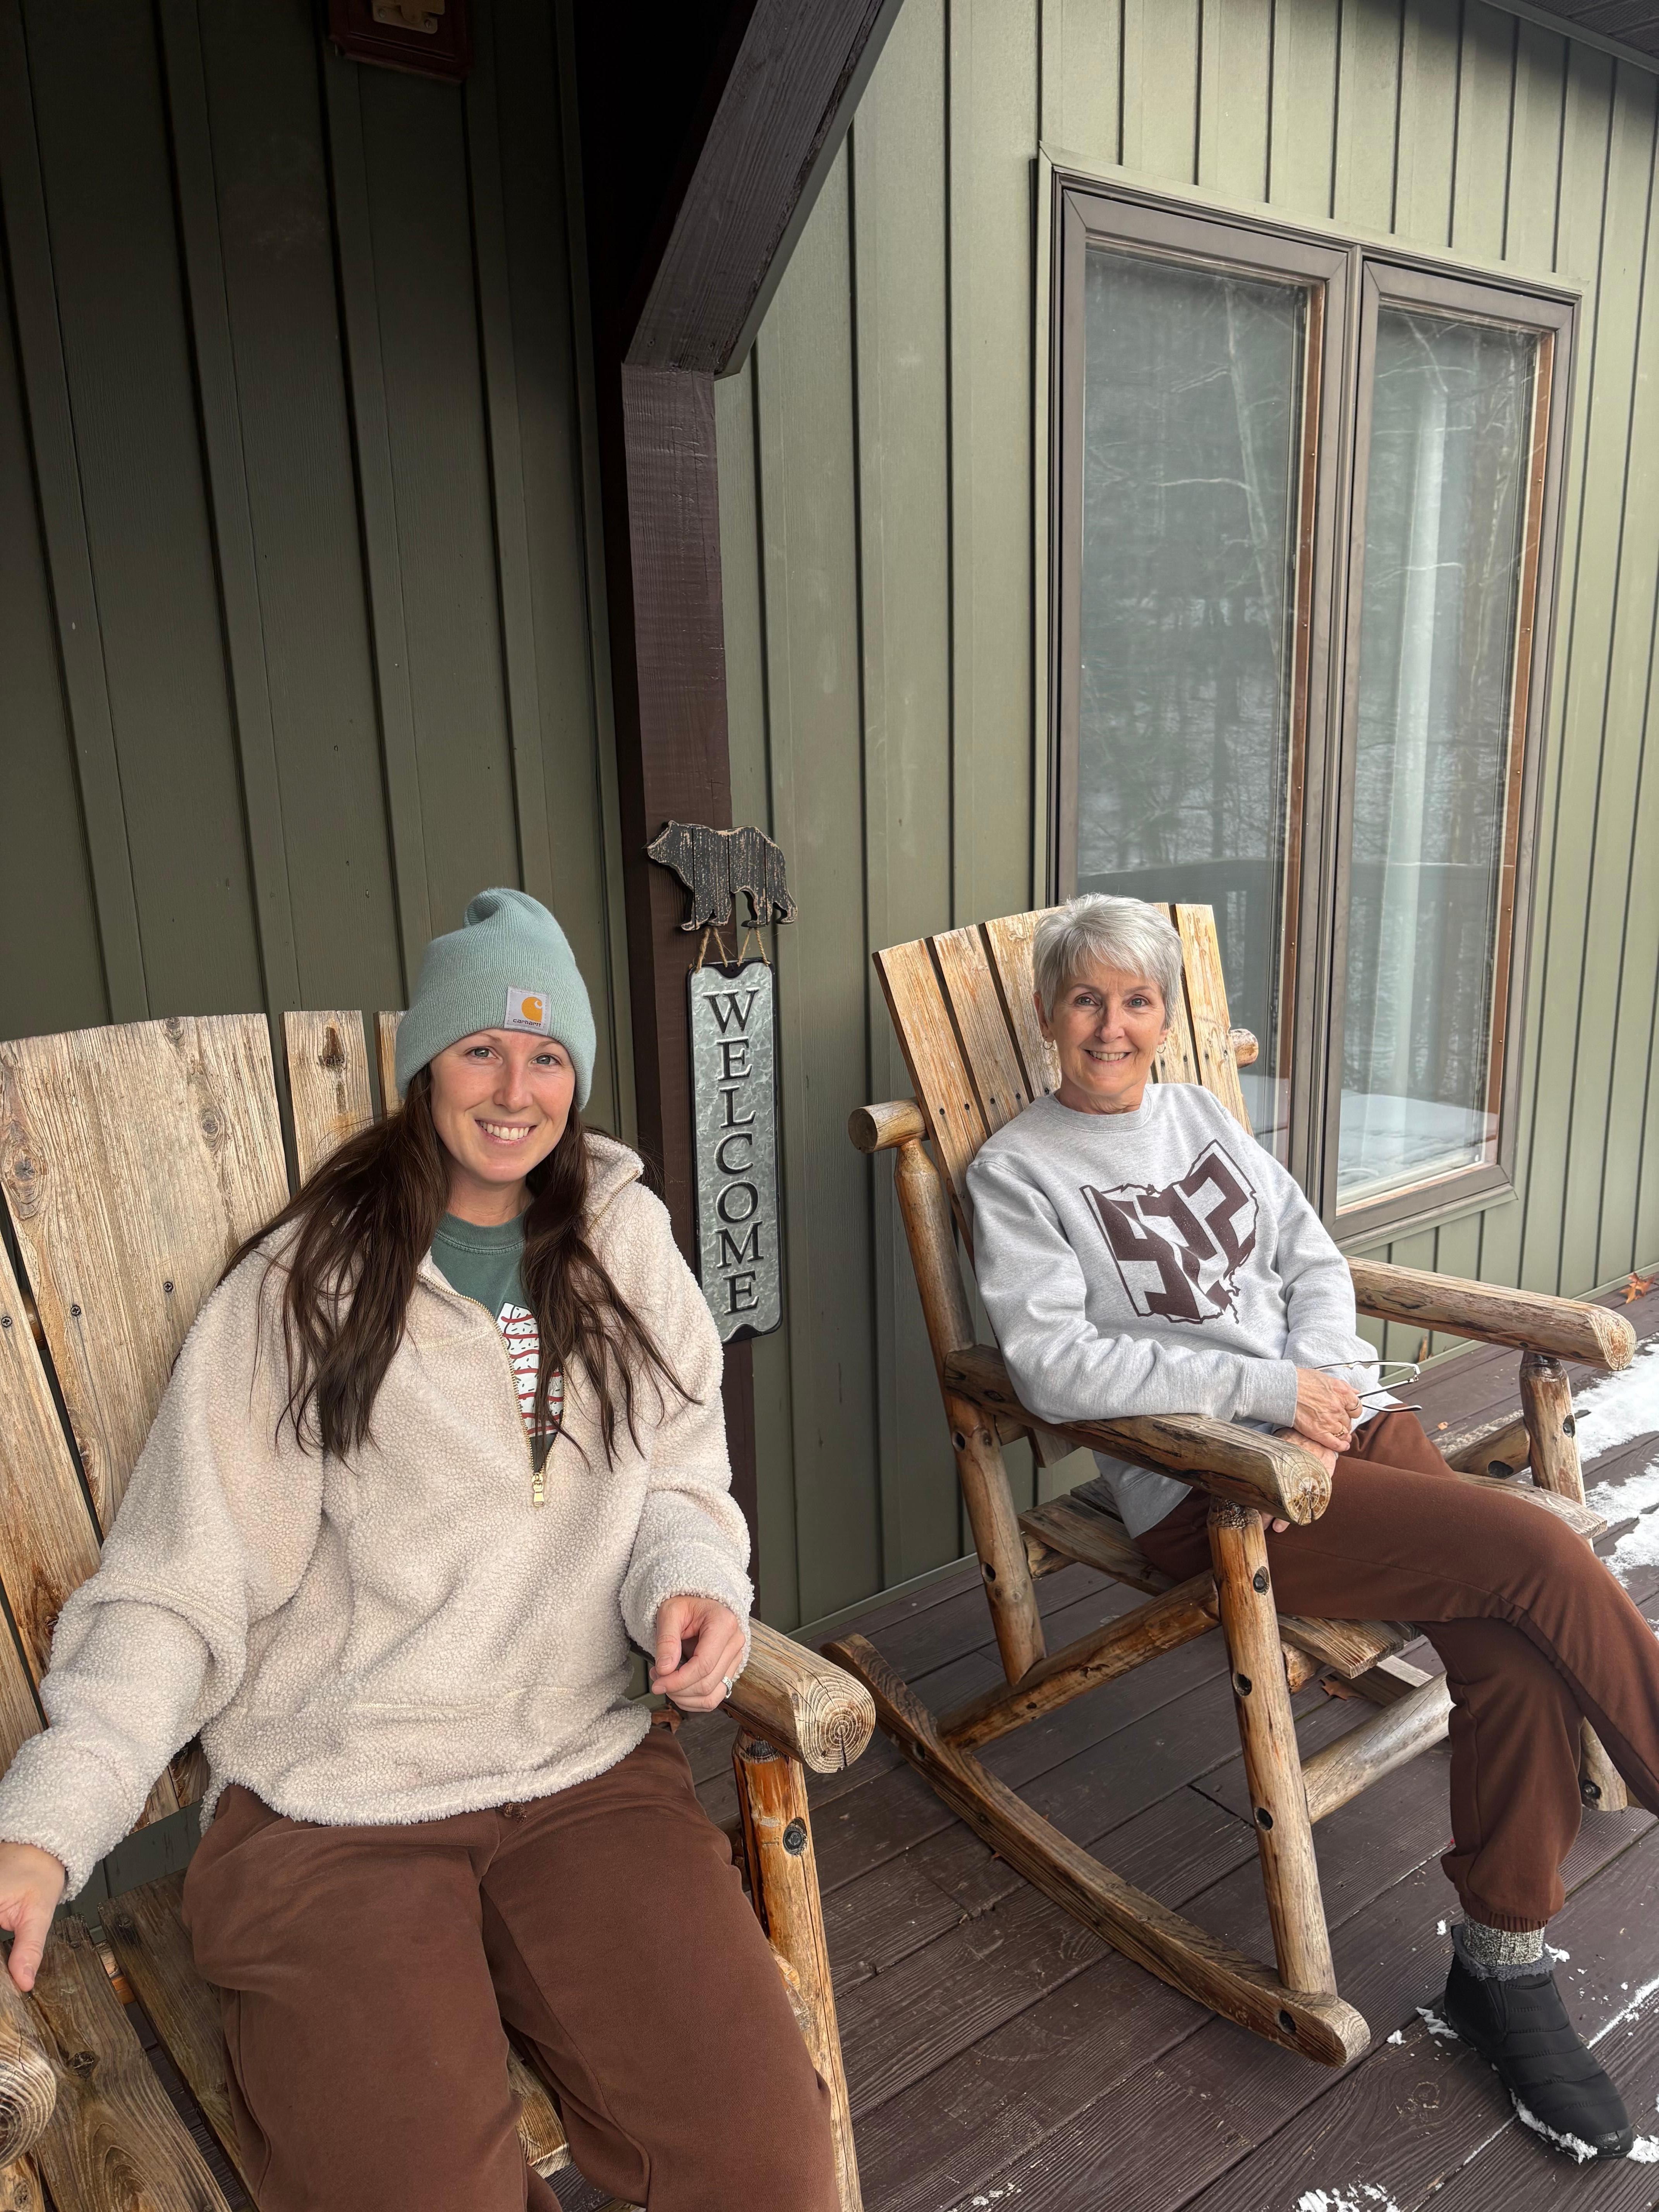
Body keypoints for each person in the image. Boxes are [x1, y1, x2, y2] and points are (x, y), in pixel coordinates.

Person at [0, 888, 838, 2212]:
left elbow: (680, 1472)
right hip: (340, 1812)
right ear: (422, 1072)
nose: (516, 1089)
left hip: (587, 1772)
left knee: (767, 2167)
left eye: (548, 1054)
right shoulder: (301, 1292)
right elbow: (181, 1584)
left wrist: (690, 1584)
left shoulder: (625, 1242)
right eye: (480, 1051)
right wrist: (47, 1828)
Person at [967, 892, 1659, 2164]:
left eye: (1134, 1001)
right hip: (1209, 1487)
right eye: (1085, 1000)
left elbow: (1309, 1259)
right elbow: (1056, 1368)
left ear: (1164, 1018)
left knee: (1506, 1643)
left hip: (1340, 1430)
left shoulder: (1198, 1117)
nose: (1110, 1026)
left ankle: (1498, 1969)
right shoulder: (1016, 1171)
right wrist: (1268, 1397)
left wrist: (1328, 1383)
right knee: (1538, 1550)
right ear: (1046, 1017)